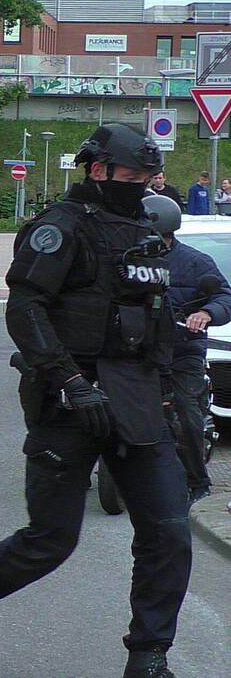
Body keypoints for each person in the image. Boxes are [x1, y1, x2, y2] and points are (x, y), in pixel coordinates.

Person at [0, 124, 190, 678]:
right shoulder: (58, 228)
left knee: (168, 531)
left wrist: (167, 393)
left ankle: (149, 655)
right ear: (97, 170)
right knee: (51, 541)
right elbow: (25, 310)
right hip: (70, 399)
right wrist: (71, 382)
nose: (141, 187)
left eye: (148, 179)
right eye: (131, 178)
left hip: (138, 399)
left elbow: (155, 317)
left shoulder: (144, 227)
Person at [143, 193, 231, 503]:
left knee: (187, 417)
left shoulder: (196, 263)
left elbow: (223, 296)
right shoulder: (127, 259)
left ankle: (198, 482)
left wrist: (205, 314)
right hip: (138, 352)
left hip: (182, 352)